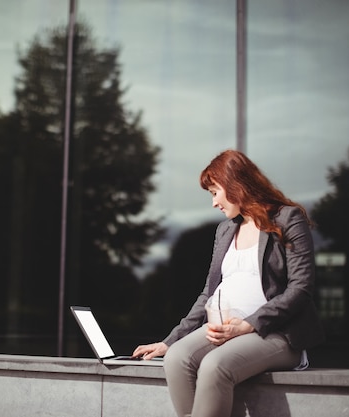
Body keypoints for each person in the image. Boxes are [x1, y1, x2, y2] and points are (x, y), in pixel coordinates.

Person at [133, 149, 325, 417]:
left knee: (214, 366)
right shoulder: (225, 230)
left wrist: (249, 324)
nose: (214, 203)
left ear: (235, 184)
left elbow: (300, 289)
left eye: (215, 192)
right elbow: (208, 294)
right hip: (223, 329)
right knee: (176, 358)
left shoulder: (287, 218)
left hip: (276, 333)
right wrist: (170, 341)